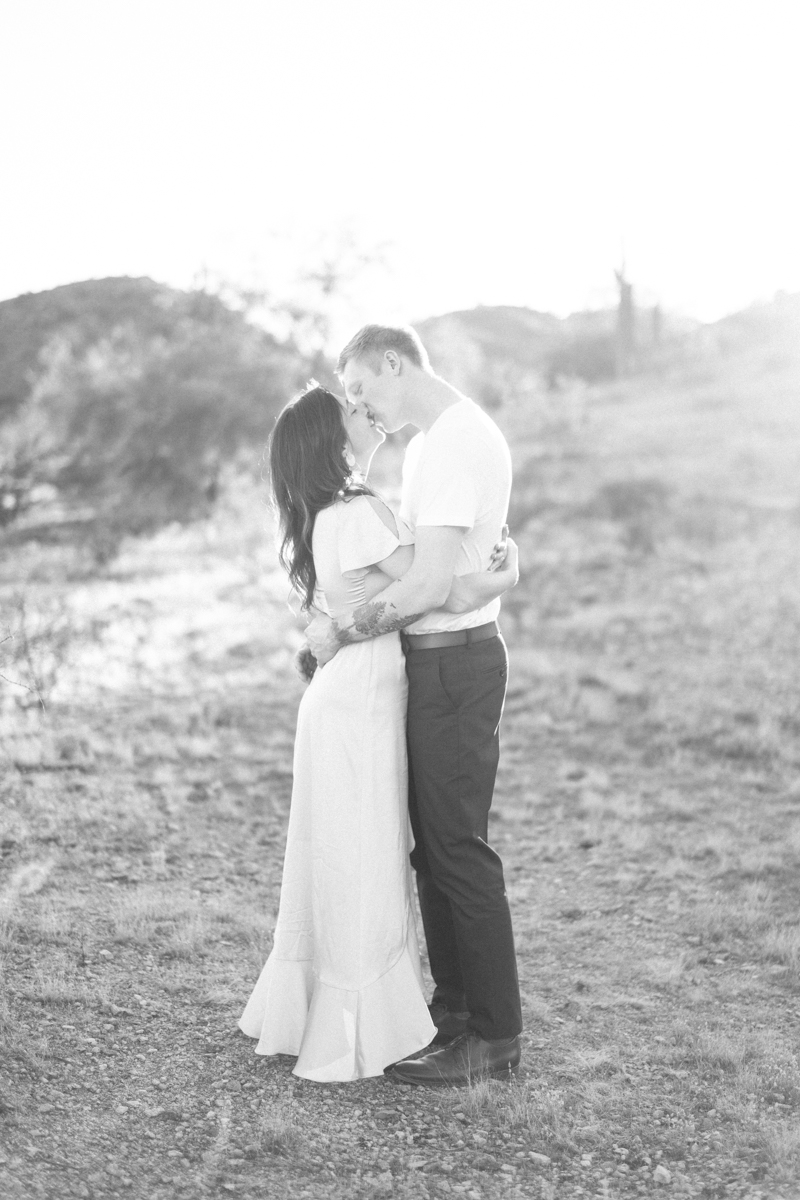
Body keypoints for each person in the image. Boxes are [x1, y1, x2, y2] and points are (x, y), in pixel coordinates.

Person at [238, 383, 517, 1082]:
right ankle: (362, 1017)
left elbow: (401, 584)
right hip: (359, 698)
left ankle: (346, 1005)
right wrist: (505, 576)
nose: (367, 414)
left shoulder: (334, 513)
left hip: (344, 697)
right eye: (352, 412)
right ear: (332, 443)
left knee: (340, 851)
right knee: (363, 855)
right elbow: (439, 589)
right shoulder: (360, 511)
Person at [306, 325, 523, 1087]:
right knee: (432, 849)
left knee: (457, 848)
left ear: (393, 361)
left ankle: (493, 1040)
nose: (358, 403)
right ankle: (456, 1017)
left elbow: (431, 589)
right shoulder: (433, 443)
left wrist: (343, 627)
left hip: (456, 667)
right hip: (432, 663)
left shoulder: (460, 439)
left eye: (361, 387)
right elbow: (447, 571)